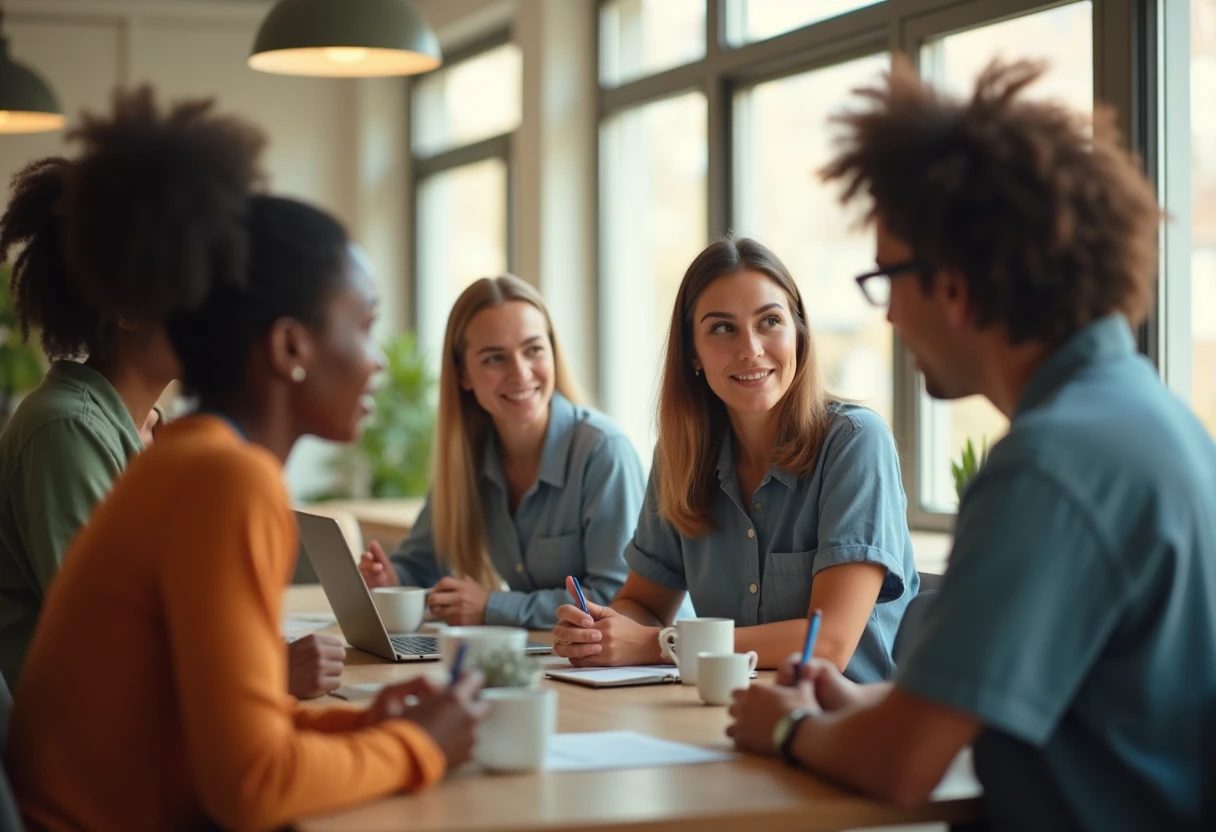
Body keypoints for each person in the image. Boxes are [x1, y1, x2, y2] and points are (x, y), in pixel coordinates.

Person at [726, 58, 1214, 831]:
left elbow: (903, 765)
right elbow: (1071, 695)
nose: (886, 318)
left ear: (952, 286)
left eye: (887, 279)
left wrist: (784, 728)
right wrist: (873, 703)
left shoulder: (1047, 469)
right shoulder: (1153, 422)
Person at [8, 87, 485, 832]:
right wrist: (417, 748)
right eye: (363, 324)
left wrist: (368, 733)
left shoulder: (197, 458)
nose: (377, 362)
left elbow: (229, 748)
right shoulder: (226, 479)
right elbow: (251, 785)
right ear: (291, 346)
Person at [0, 153, 343, 700]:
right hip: (82, 750)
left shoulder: (156, 430)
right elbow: (103, 640)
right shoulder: (63, 429)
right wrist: (264, 671)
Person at [553, 238, 917, 678]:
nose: (750, 348)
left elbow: (829, 644)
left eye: (770, 321)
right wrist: (604, 632)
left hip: (842, 721)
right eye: (722, 328)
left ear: (798, 334)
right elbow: (644, 603)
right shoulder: (679, 455)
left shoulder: (855, 442)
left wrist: (660, 643)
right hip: (723, 712)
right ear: (693, 354)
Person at [359, 275, 644, 629]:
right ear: (463, 374)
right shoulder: (470, 458)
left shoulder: (603, 451)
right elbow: (418, 564)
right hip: (565, 662)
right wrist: (391, 580)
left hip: (652, 667)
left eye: (534, 349)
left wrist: (494, 607)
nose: (520, 373)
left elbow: (619, 599)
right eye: (495, 358)